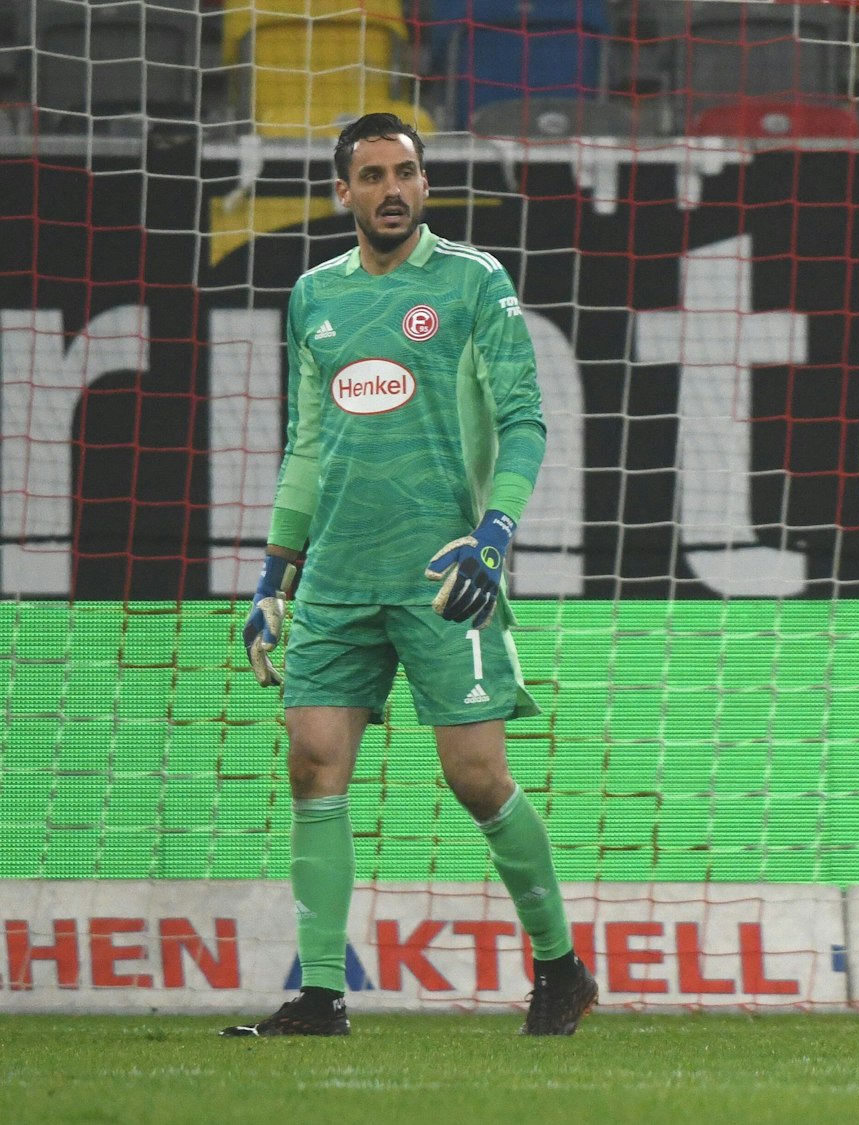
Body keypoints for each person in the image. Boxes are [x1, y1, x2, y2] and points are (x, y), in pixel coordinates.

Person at [226, 113, 596, 1037]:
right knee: (312, 763)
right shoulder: (314, 296)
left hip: (443, 572)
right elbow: (306, 445)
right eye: (373, 175)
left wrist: (493, 537)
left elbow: (524, 419)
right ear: (342, 192)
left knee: (477, 777)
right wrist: (274, 577)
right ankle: (321, 995)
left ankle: (561, 968)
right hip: (337, 575)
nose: (392, 189)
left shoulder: (473, 281)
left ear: (425, 184)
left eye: (406, 173)